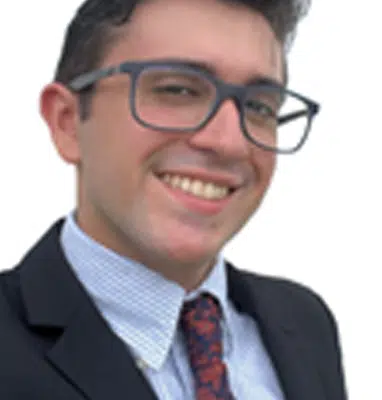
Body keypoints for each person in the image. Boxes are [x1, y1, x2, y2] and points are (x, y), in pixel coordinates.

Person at [0, 0, 347, 399]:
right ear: (68, 122)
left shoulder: (303, 324)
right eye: (178, 90)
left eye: (258, 106)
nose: (229, 142)